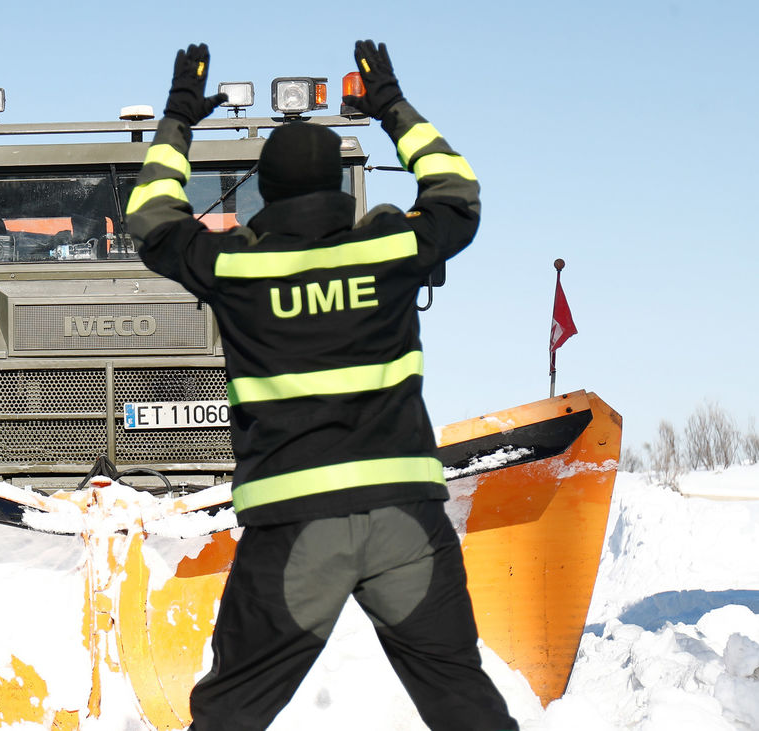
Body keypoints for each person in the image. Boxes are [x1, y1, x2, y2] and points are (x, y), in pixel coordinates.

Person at [124, 41, 519, 730]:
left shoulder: (236, 270)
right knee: (463, 704)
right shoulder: (390, 248)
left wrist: (179, 116)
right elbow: (456, 192)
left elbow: (152, 216)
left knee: (230, 714)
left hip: (293, 525)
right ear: (340, 188)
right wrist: (392, 106)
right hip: (405, 521)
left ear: (266, 193)